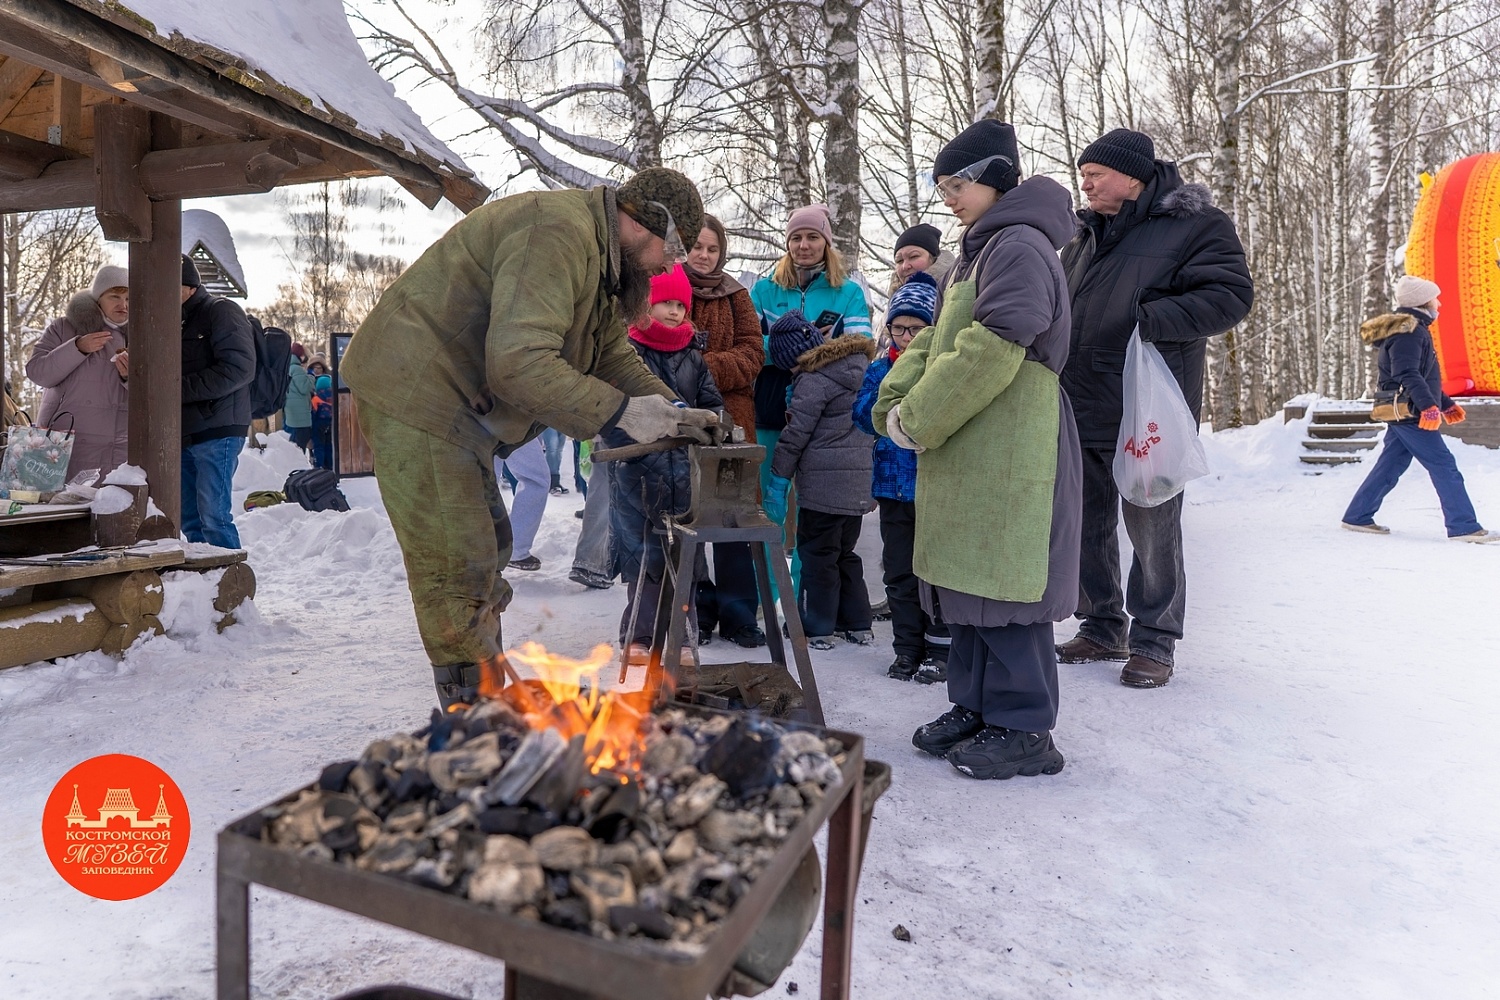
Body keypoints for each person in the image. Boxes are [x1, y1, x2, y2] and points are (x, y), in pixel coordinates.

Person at [339, 167, 719, 709]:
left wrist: (673, 410)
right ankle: (469, 707)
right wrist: (622, 413)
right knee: (457, 558)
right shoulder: (556, 232)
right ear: (644, 223)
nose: (667, 269)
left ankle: (485, 691)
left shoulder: (600, 257)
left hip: (457, 403)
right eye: (671, 252)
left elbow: (610, 354)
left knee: (486, 546)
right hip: (416, 391)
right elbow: (518, 362)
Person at [875, 119, 1081, 780]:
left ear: (994, 175)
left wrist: (922, 418)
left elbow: (994, 344)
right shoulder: (979, 248)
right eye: (943, 187)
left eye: (957, 184)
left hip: (1015, 441)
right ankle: (976, 706)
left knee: (1007, 585)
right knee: (971, 578)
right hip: (977, 441)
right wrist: (896, 402)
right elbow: (937, 341)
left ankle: (1024, 729)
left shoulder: (1019, 245)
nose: (949, 199)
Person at [1056, 128, 1254, 689]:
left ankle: (1155, 640)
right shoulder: (1084, 236)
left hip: (1149, 406)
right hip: (1081, 398)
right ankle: (1100, 625)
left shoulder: (1197, 225)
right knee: (1086, 521)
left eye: (1095, 172)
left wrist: (1149, 319)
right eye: (1084, 173)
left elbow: (1230, 295)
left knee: (1152, 523)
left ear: (1133, 177)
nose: (1085, 182)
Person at [750, 205, 872, 618]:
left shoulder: (848, 292)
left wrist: (816, 354)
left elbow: (861, 350)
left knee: (812, 515)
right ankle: (769, 601)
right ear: (787, 243)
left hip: (827, 418)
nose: (804, 245)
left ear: (826, 242)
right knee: (770, 507)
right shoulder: (766, 290)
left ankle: (804, 605)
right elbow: (749, 345)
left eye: (812, 237)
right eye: (796, 238)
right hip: (771, 407)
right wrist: (778, 348)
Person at [606, 265, 723, 652]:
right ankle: (639, 636)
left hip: (685, 475)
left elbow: (711, 404)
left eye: (679, 305)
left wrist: (708, 425)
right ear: (646, 306)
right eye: (664, 303)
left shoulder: (694, 356)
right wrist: (656, 430)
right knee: (643, 558)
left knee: (684, 558)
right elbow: (615, 413)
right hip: (637, 473)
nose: (674, 311)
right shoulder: (627, 352)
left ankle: (683, 639)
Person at [1342, 276, 1498, 543]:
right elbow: (1408, 373)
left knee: (1391, 465)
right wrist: (1428, 407)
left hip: (1404, 410)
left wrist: (1445, 404)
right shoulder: (1409, 330)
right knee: (1444, 465)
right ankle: (1464, 526)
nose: (1439, 304)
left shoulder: (1411, 329)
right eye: (1435, 298)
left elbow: (1424, 376)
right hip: (1410, 411)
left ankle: (1357, 516)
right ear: (1423, 302)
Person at [853, 271, 950, 681]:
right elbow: (862, 417)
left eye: (916, 328)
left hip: (935, 489)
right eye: (898, 328)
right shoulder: (880, 369)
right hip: (893, 489)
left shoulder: (944, 369)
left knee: (938, 572)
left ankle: (941, 648)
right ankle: (907, 647)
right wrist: (890, 388)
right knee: (899, 570)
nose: (906, 337)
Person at [764, 311, 876, 649]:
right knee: (845, 553)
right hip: (859, 485)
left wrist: (778, 480)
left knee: (816, 555)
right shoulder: (857, 369)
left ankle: (817, 627)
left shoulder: (813, 379)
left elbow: (795, 435)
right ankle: (857, 623)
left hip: (823, 488)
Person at [686, 213, 768, 648]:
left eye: (712, 248)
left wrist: (699, 368)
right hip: (680, 422)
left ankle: (739, 617)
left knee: (734, 520)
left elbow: (753, 354)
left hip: (732, 423)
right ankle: (695, 613)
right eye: (697, 246)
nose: (704, 254)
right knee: (690, 517)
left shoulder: (736, 295)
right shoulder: (667, 288)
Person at [26, 265, 130, 481]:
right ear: (98, 298)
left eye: (130, 298)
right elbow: (37, 373)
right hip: (64, 445)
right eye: (115, 296)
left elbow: (159, 394)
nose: (123, 305)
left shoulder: (147, 334)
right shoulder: (64, 327)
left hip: (120, 450)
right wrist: (78, 348)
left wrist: (129, 378)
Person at [180, 255, 256, 549]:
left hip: (218, 429)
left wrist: (175, 389)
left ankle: (231, 587)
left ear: (188, 286)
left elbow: (239, 368)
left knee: (213, 517)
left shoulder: (221, 310)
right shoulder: (173, 321)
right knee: (190, 519)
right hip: (185, 432)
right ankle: (204, 586)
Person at [496, 436, 554, 571]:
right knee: (536, 479)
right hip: (512, 419)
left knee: (484, 480)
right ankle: (514, 547)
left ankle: (506, 547)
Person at [283, 343, 315, 456]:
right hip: (300, 414)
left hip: (292, 411)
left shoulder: (287, 368)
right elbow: (304, 388)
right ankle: (298, 468)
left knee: (294, 444)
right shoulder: (297, 369)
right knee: (300, 444)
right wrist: (311, 377)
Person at [310, 374, 334, 470]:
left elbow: (313, 413)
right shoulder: (334, 397)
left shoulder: (316, 399)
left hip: (319, 424)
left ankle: (319, 466)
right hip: (331, 424)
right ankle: (330, 466)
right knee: (329, 445)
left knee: (319, 446)